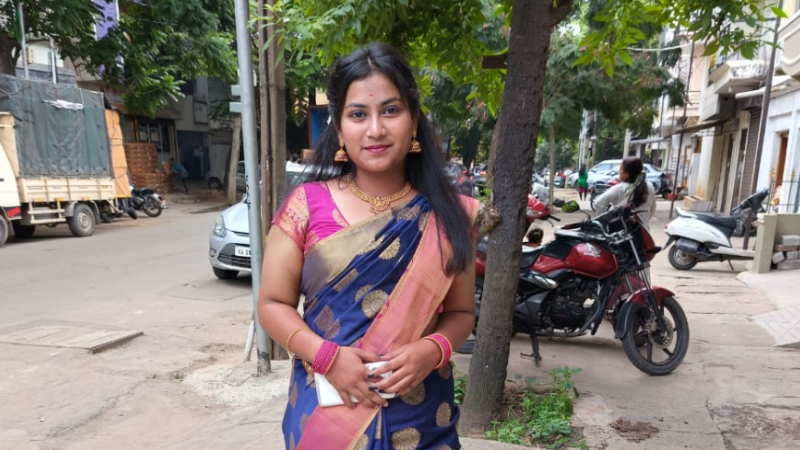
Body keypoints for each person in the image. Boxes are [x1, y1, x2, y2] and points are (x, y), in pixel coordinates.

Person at [257, 43, 478, 450]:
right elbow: (272, 304)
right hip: (325, 411)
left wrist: (433, 349)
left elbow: (462, 313)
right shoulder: (305, 206)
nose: (375, 129)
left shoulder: (449, 215)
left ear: (414, 121)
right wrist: (326, 356)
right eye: (358, 114)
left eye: (390, 111)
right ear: (340, 129)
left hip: (422, 419)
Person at [593, 157, 656, 230]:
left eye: (621, 169)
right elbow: (652, 209)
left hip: (622, 233)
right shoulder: (650, 187)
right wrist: (643, 219)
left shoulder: (619, 189)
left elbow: (598, 203)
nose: (618, 171)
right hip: (643, 232)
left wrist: (604, 223)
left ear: (627, 174)